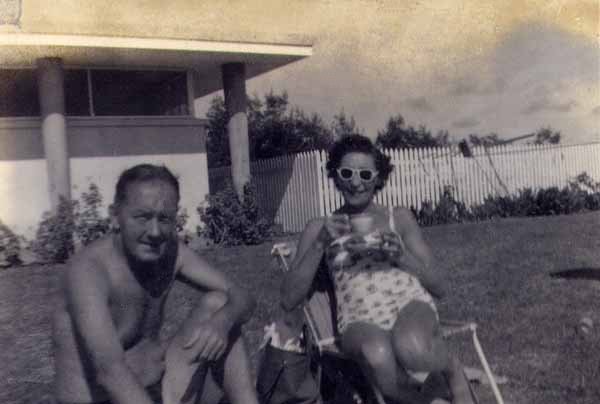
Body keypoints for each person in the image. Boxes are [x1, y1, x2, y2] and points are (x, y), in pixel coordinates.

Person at [280, 135, 474, 404]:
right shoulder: (319, 227)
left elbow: (440, 286)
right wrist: (321, 243)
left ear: (378, 177)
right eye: (346, 173)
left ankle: (452, 370)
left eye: (365, 173)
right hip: (358, 318)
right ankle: (430, 399)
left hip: (409, 303)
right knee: (377, 357)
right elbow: (289, 298)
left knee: (413, 347)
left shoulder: (399, 218)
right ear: (335, 177)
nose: (356, 182)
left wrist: (402, 257)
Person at [52, 164, 259, 404]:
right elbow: (109, 373)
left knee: (220, 304)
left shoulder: (172, 253)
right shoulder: (88, 270)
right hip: (105, 398)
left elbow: (244, 298)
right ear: (115, 216)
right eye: (142, 217)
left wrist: (223, 321)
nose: (154, 231)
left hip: (156, 392)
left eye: (164, 219)